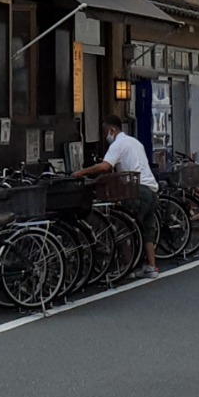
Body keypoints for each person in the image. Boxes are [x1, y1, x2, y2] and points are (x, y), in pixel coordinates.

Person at [73, 115, 160, 279]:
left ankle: (128, 267)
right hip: (151, 189)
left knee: (125, 230)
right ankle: (151, 267)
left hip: (136, 190)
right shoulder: (134, 142)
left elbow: (105, 166)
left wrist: (80, 173)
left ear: (112, 130)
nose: (106, 136)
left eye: (106, 131)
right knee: (147, 230)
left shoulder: (118, 144)